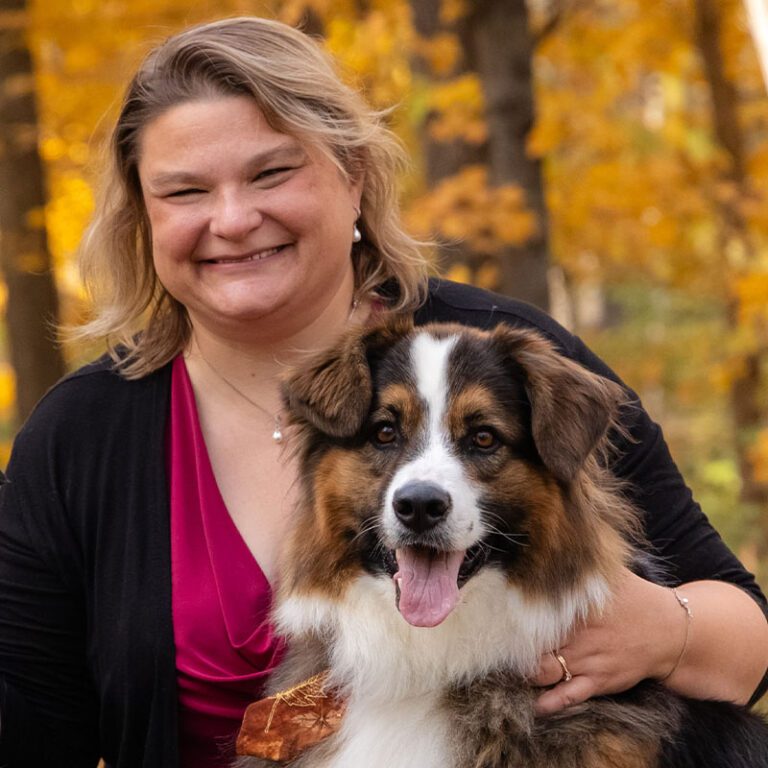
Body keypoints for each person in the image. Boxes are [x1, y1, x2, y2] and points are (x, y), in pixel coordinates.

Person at [0, 15, 765, 768]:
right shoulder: (82, 435)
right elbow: (31, 733)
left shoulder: (500, 351)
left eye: (272, 173)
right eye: (184, 191)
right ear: (143, 215)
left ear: (353, 178)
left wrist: (668, 627)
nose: (233, 219)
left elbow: (749, 637)